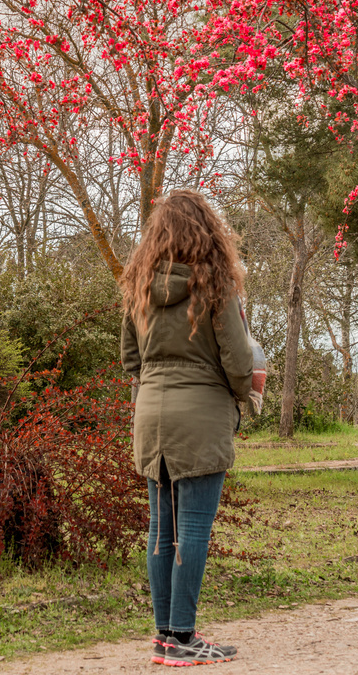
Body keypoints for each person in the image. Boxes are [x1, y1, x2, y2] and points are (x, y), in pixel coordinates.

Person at [120, 189, 253, 667]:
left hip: (150, 416)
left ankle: (165, 637)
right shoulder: (215, 284)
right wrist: (244, 393)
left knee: (161, 528)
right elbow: (238, 361)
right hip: (201, 413)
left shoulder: (139, 285)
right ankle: (183, 637)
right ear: (208, 233)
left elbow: (130, 359)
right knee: (192, 527)